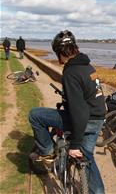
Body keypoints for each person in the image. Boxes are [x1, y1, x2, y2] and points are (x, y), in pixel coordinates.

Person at [28, 30, 105, 193]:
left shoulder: (70, 72)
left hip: (85, 119)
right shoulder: (88, 67)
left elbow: (80, 111)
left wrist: (75, 144)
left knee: (35, 115)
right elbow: (90, 95)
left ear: (60, 52)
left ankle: (47, 152)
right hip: (98, 119)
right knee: (87, 158)